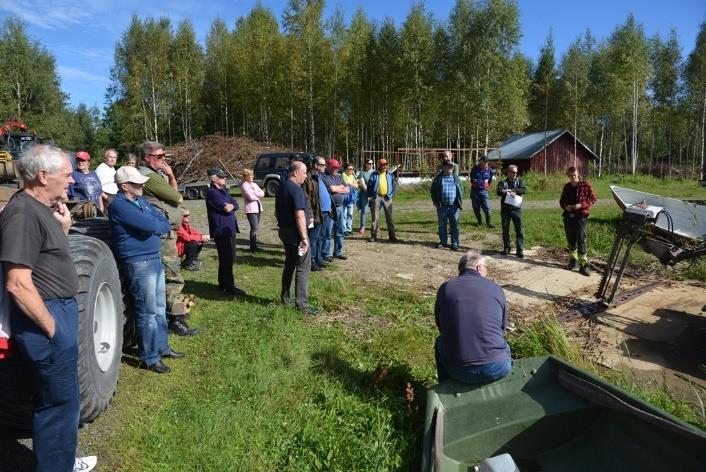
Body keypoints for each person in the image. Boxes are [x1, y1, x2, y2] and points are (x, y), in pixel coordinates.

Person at [0, 145, 97, 471]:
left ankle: (62, 461)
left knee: (63, 399)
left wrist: (63, 229)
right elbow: (17, 283)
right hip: (46, 318)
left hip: (56, 312)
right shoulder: (23, 214)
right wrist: (53, 329)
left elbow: (43, 257)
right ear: (43, 176)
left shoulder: (40, 208)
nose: (72, 180)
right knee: (58, 403)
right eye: (67, 174)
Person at [109, 166, 184, 374]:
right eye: (137, 183)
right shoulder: (120, 206)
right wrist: (154, 226)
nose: (142, 186)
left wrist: (155, 225)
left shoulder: (140, 201)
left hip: (153, 259)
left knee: (159, 308)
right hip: (139, 262)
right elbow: (153, 226)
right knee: (148, 311)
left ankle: (162, 347)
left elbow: (162, 221)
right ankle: (150, 357)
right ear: (125, 186)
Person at [138, 141, 198, 336]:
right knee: (172, 276)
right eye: (159, 157)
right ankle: (175, 319)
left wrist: (171, 175)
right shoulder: (148, 176)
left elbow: (174, 192)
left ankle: (173, 313)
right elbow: (178, 198)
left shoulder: (156, 175)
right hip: (161, 234)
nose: (163, 160)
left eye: (165, 156)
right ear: (147, 158)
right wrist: (171, 187)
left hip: (166, 231)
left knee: (170, 274)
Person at [434, 250, 511, 384]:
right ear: (478, 267)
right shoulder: (496, 289)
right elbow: (502, 329)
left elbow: (441, 327)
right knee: (504, 346)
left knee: (440, 342)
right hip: (497, 367)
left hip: (458, 370)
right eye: (486, 268)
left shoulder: (445, 288)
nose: (486, 272)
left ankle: (445, 389)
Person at [275, 161, 317, 315]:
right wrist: (304, 238)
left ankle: (285, 298)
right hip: (296, 234)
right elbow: (299, 215)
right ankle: (302, 304)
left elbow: (276, 210)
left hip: (285, 231)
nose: (306, 176)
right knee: (302, 268)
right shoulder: (296, 190)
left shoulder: (282, 187)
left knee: (289, 265)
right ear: (295, 172)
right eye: (304, 173)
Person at [206, 167, 246, 296]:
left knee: (227, 258)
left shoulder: (223, 191)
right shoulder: (212, 193)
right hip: (221, 230)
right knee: (227, 258)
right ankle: (229, 286)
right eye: (222, 176)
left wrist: (232, 205)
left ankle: (223, 283)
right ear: (213, 178)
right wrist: (231, 206)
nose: (225, 178)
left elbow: (235, 203)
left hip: (229, 229)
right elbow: (226, 208)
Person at [559, 166, 597, 276]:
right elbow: (561, 201)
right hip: (568, 216)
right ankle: (573, 262)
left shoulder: (585, 185)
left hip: (580, 217)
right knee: (571, 241)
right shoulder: (567, 186)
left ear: (578, 174)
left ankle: (584, 265)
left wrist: (581, 205)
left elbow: (593, 199)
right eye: (571, 176)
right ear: (568, 176)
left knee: (581, 241)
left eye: (574, 175)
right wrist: (565, 207)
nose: (573, 177)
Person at [319, 158, 350, 260]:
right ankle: (326, 254)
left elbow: (348, 189)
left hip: (340, 207)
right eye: (334, 167)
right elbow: (332, 189)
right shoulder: (324, 177)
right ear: (328, 166)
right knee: (327, 232)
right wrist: (340, 188)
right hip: (331, 208)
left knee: (340, 231)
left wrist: (338, 188)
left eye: (337, 168)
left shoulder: (339, 177)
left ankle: (338, 252)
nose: (336, 169)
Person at [431, 159, 464, 251]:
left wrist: (459, 202)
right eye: (449, 167)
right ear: (444, 168)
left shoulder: (456, 178)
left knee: (455, 225)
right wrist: (435, 202)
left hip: (454, 206)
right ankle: (443, 242)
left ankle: (455, 243)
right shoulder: (438, 178)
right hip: (442, 206)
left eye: (451, 167)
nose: (450, 168)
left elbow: (461, 190)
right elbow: (433, 191)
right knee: (442, 225)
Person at [306, 156, 332, 271]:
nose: (325, 167)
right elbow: (307, 197)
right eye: (322, 165)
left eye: (325, 165)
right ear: (316, 165)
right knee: (313, 237)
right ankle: (311, 261)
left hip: (325, 212)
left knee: (321, 236)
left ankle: (318, 258)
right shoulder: (309, 177)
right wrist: (310, 213)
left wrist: (329, 206)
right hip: (316, 212)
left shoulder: (320, 177)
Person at [496, 165, 526, 258]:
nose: (515, 174)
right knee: (505, 230)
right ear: (508, 172)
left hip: (516, 209)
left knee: (519, 230)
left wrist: (513, 191)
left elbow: (524, 190)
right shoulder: (503, 182)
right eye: (513, 172)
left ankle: (519, 250)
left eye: (516, 172)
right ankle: (506, 248)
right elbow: (498, 191)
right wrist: (504, 191)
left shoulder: (519, 181)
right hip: (505, 210)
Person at [367, 158, 398, 243]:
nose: (385, 166)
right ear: (379, 166)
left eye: (386, 164)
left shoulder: (390, 174)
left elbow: (394, 184)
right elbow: (369, 185)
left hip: (387, 198)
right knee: (375, 218)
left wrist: (392, 194)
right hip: (376, 197)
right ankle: (373, 236)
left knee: (390, 218)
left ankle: (392, 237)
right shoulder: (374, 174)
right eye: (383, 165)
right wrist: (370, 196)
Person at [68, 151, 104, 215]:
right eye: (78, 160)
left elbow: (99, 192)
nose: (80, 162)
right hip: (84, 211)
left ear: (88, 162)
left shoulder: (94, 173)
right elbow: (68, 195)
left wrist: (101, 207)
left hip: (97, 209)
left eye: (83, 160)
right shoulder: (73, 175)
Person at [241, 169, 265, 251]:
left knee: (256, 228)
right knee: (254, 228)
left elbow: (262, 193)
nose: (252, 176)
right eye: (250, 175)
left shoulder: (254, 184)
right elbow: (250, 198)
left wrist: (255, 194)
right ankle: (253, 248)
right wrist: (257, 195)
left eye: (252, 175)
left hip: (258, 208)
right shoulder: (244, 185)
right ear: (246, 177)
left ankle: (254, 246)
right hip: (251, 209)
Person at [469, 157, 494, 228]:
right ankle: (480, 222)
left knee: (486, 207)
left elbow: (489, 181)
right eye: (484, 162)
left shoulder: (490, 170)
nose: (486, 164)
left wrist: (485, 186)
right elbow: (472, 179)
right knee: (476, 208)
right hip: (474, 191)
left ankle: (489, 223)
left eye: (487, 162)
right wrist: (477, 185)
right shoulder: (474, 169)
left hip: (484, 191)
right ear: (481, 161)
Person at [356, 158, 374, 234]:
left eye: (372, 163)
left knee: (375, 210)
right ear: (366, 164)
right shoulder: (362, 173)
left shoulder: (375, 172)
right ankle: (362, 226)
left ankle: (375, 226)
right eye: (369, 163)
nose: (371, 165)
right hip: (365, 193)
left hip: (374, 193)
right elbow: (362, 184)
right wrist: (369, 193)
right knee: (364, 210)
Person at [340, 163, 359, 234]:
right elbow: (346, 184)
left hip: (351, 197)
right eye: (350, 169)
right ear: (346, 169)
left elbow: (357, 186)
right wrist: (353, 184)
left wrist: (352, 184)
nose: (352, 170)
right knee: (344, 213)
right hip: (345, 197)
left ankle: (349, 228)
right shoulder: (343, 175)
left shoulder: (352, 176)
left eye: (352, 169)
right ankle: (344, 229)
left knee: (350, 213)